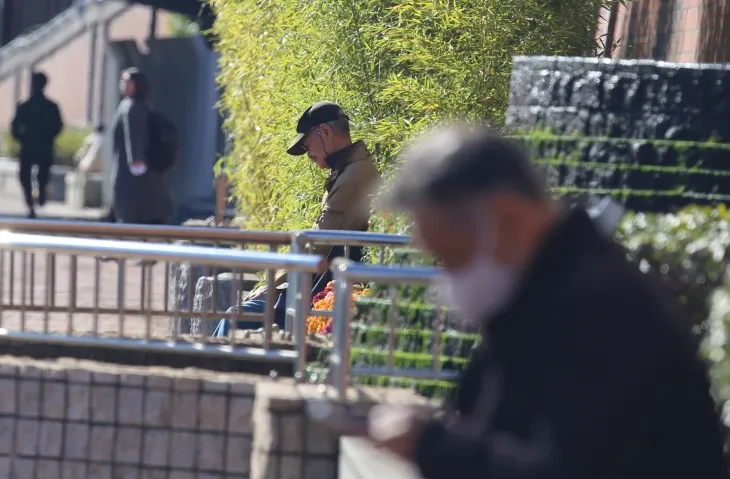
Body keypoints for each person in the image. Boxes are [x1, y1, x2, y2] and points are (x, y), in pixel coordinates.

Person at [366, 124, 728, 478]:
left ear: (509, 218)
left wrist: (430, 445)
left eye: (451, 258)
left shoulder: (599, 309)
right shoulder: (541, 296)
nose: (447, 282)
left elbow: (570, 466)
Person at [212, 101, 380, 336]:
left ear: (325, 132)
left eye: (307, 144)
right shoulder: (349, 171)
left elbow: (317, 244)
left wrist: (271, 287)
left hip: (320, 290)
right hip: (319, 285)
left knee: (234, 320)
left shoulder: (352, 176)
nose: (308, 153)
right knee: (235, 316)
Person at [112, 67, 172, 225]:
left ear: (136, 84)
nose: (122, 84)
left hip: (132, 167)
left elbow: (134, 134)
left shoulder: (132, 107)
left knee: (132, 203)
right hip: (138, 165)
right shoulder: (139, 104)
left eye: (126, 81)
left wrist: (136, 159)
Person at [11, 72, 63, 219]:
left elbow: (14, 127)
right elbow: (58, 126)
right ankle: (37, 197)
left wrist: (21, 138)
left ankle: (31, 200)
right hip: (43, 147)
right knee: (41, 175)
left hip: (29, 146)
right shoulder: (50, 107)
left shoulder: (25, 106)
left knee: (26, 176)